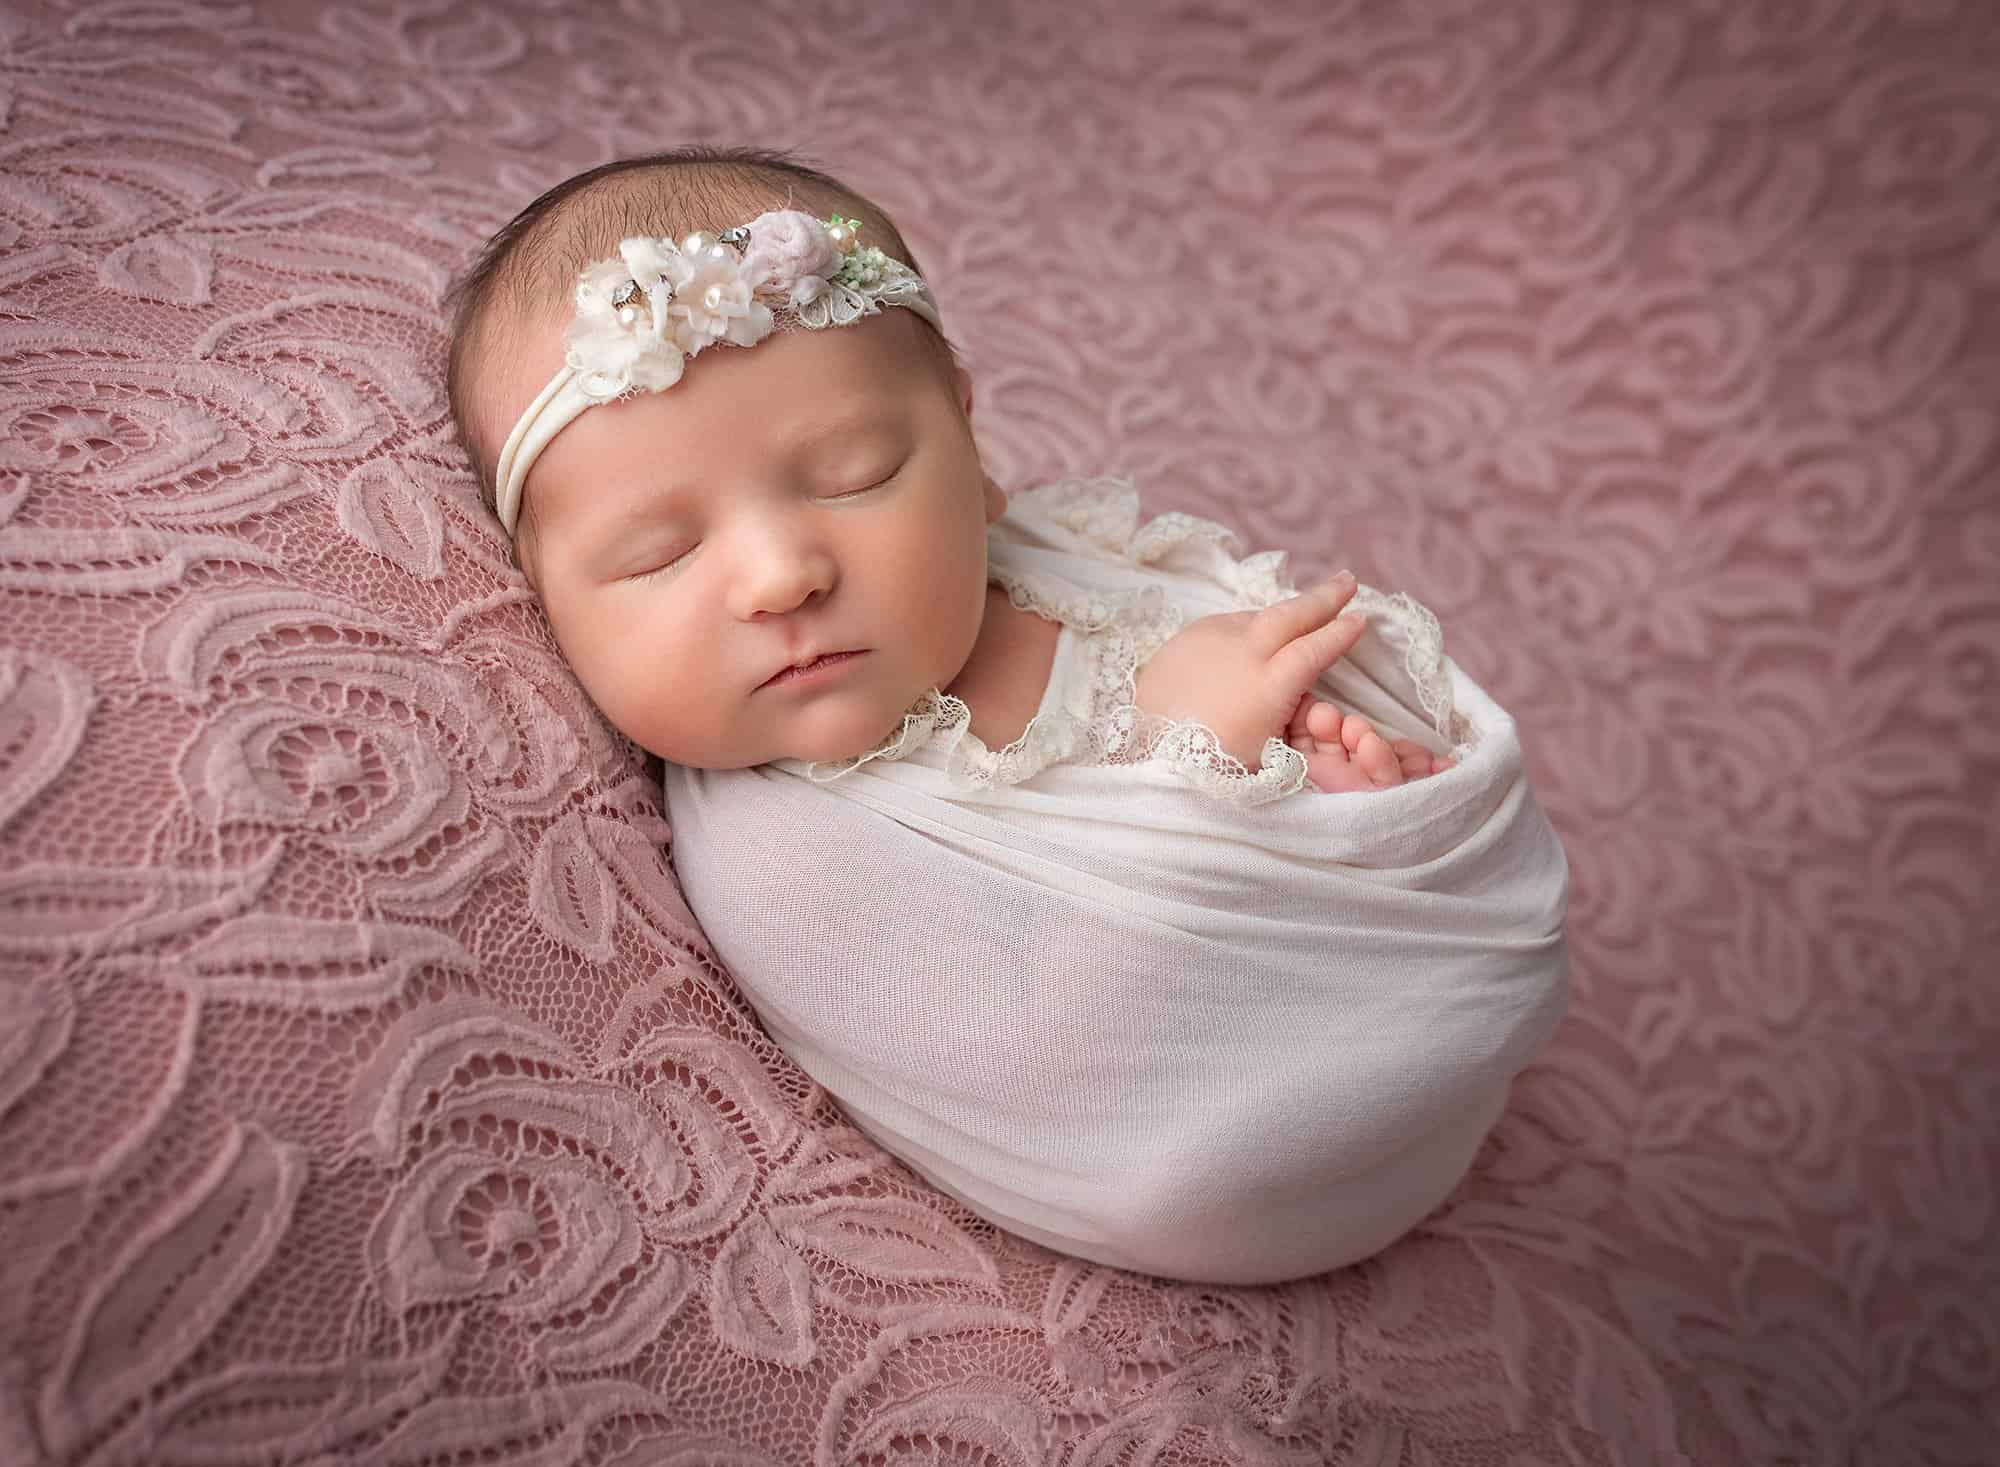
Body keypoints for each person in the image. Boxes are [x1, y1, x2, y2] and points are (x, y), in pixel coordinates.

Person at [443, 146, 1570, 1284]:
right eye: (659, 552)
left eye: (855, 473)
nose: (781, 576)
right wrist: (1192, 758)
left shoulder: (1057, 564)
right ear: (544, 598)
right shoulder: (778, 853)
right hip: (1240, 1161)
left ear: (969, 449)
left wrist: (1338, 788)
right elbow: (1051, 1047)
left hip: (1421, 1024)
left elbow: (1258, 649)